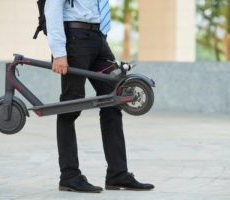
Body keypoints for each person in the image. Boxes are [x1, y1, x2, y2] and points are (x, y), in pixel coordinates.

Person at [44, 0, 154, 193]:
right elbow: (52, 8)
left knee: (114, 100)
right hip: (75, 39)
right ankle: (69, 176)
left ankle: (117, 174)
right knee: (70, 106)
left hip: (98, 39)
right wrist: (59, 52)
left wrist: (100, 37)